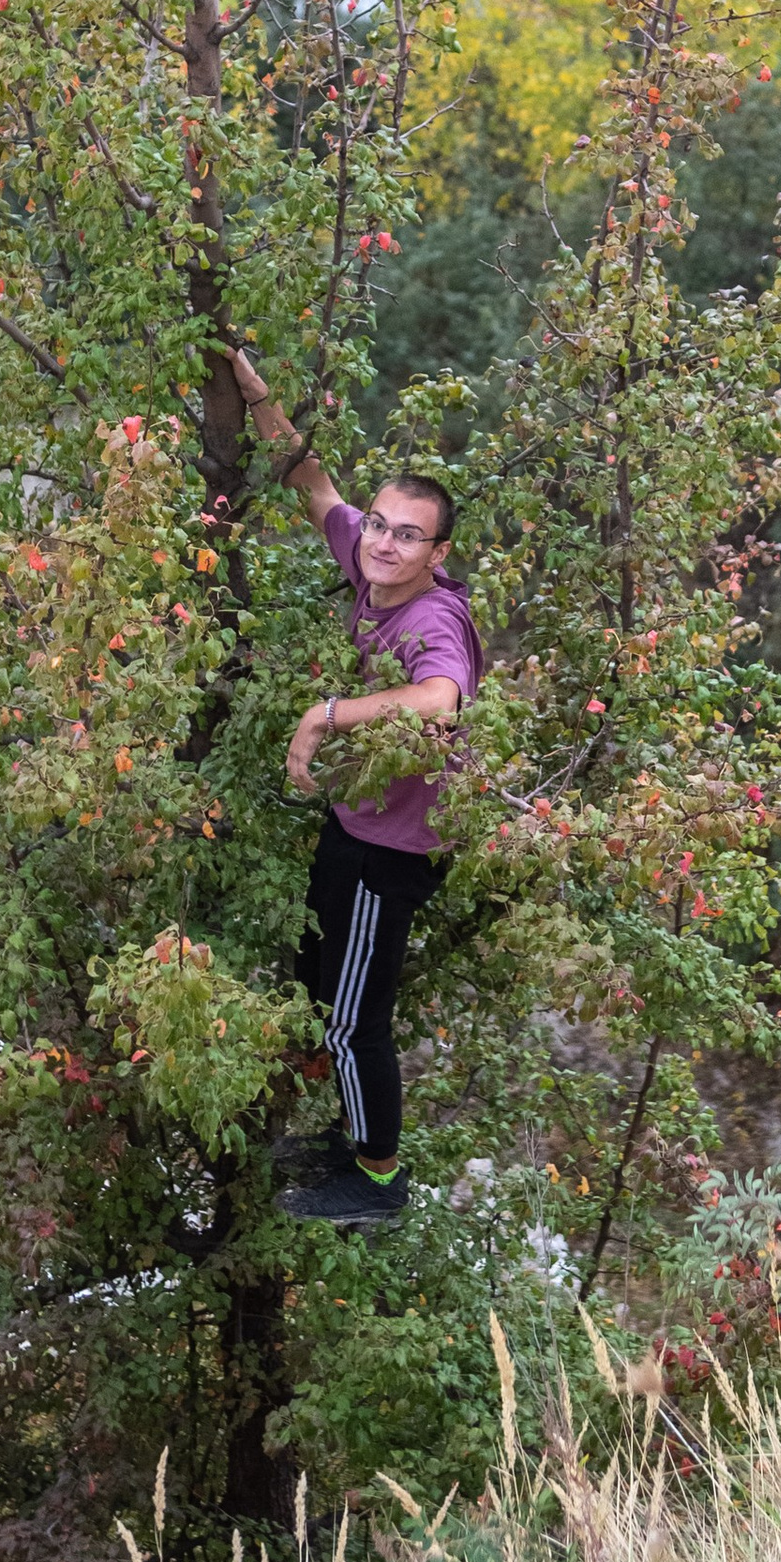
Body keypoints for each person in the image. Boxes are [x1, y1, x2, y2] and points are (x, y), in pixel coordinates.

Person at [232, 350, 478, 1230]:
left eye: (408, 534)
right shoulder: (370, 559)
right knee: (313, 977)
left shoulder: (431, 614)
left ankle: (377, 1180)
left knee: (350, 1018)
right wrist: (259, 398)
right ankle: (346, 1138)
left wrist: (326, 713)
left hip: (396, 849)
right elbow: (312, 481)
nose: (382, 541)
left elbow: (442, 701)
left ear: (437, 552)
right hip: (354, 822)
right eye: (378, 525)